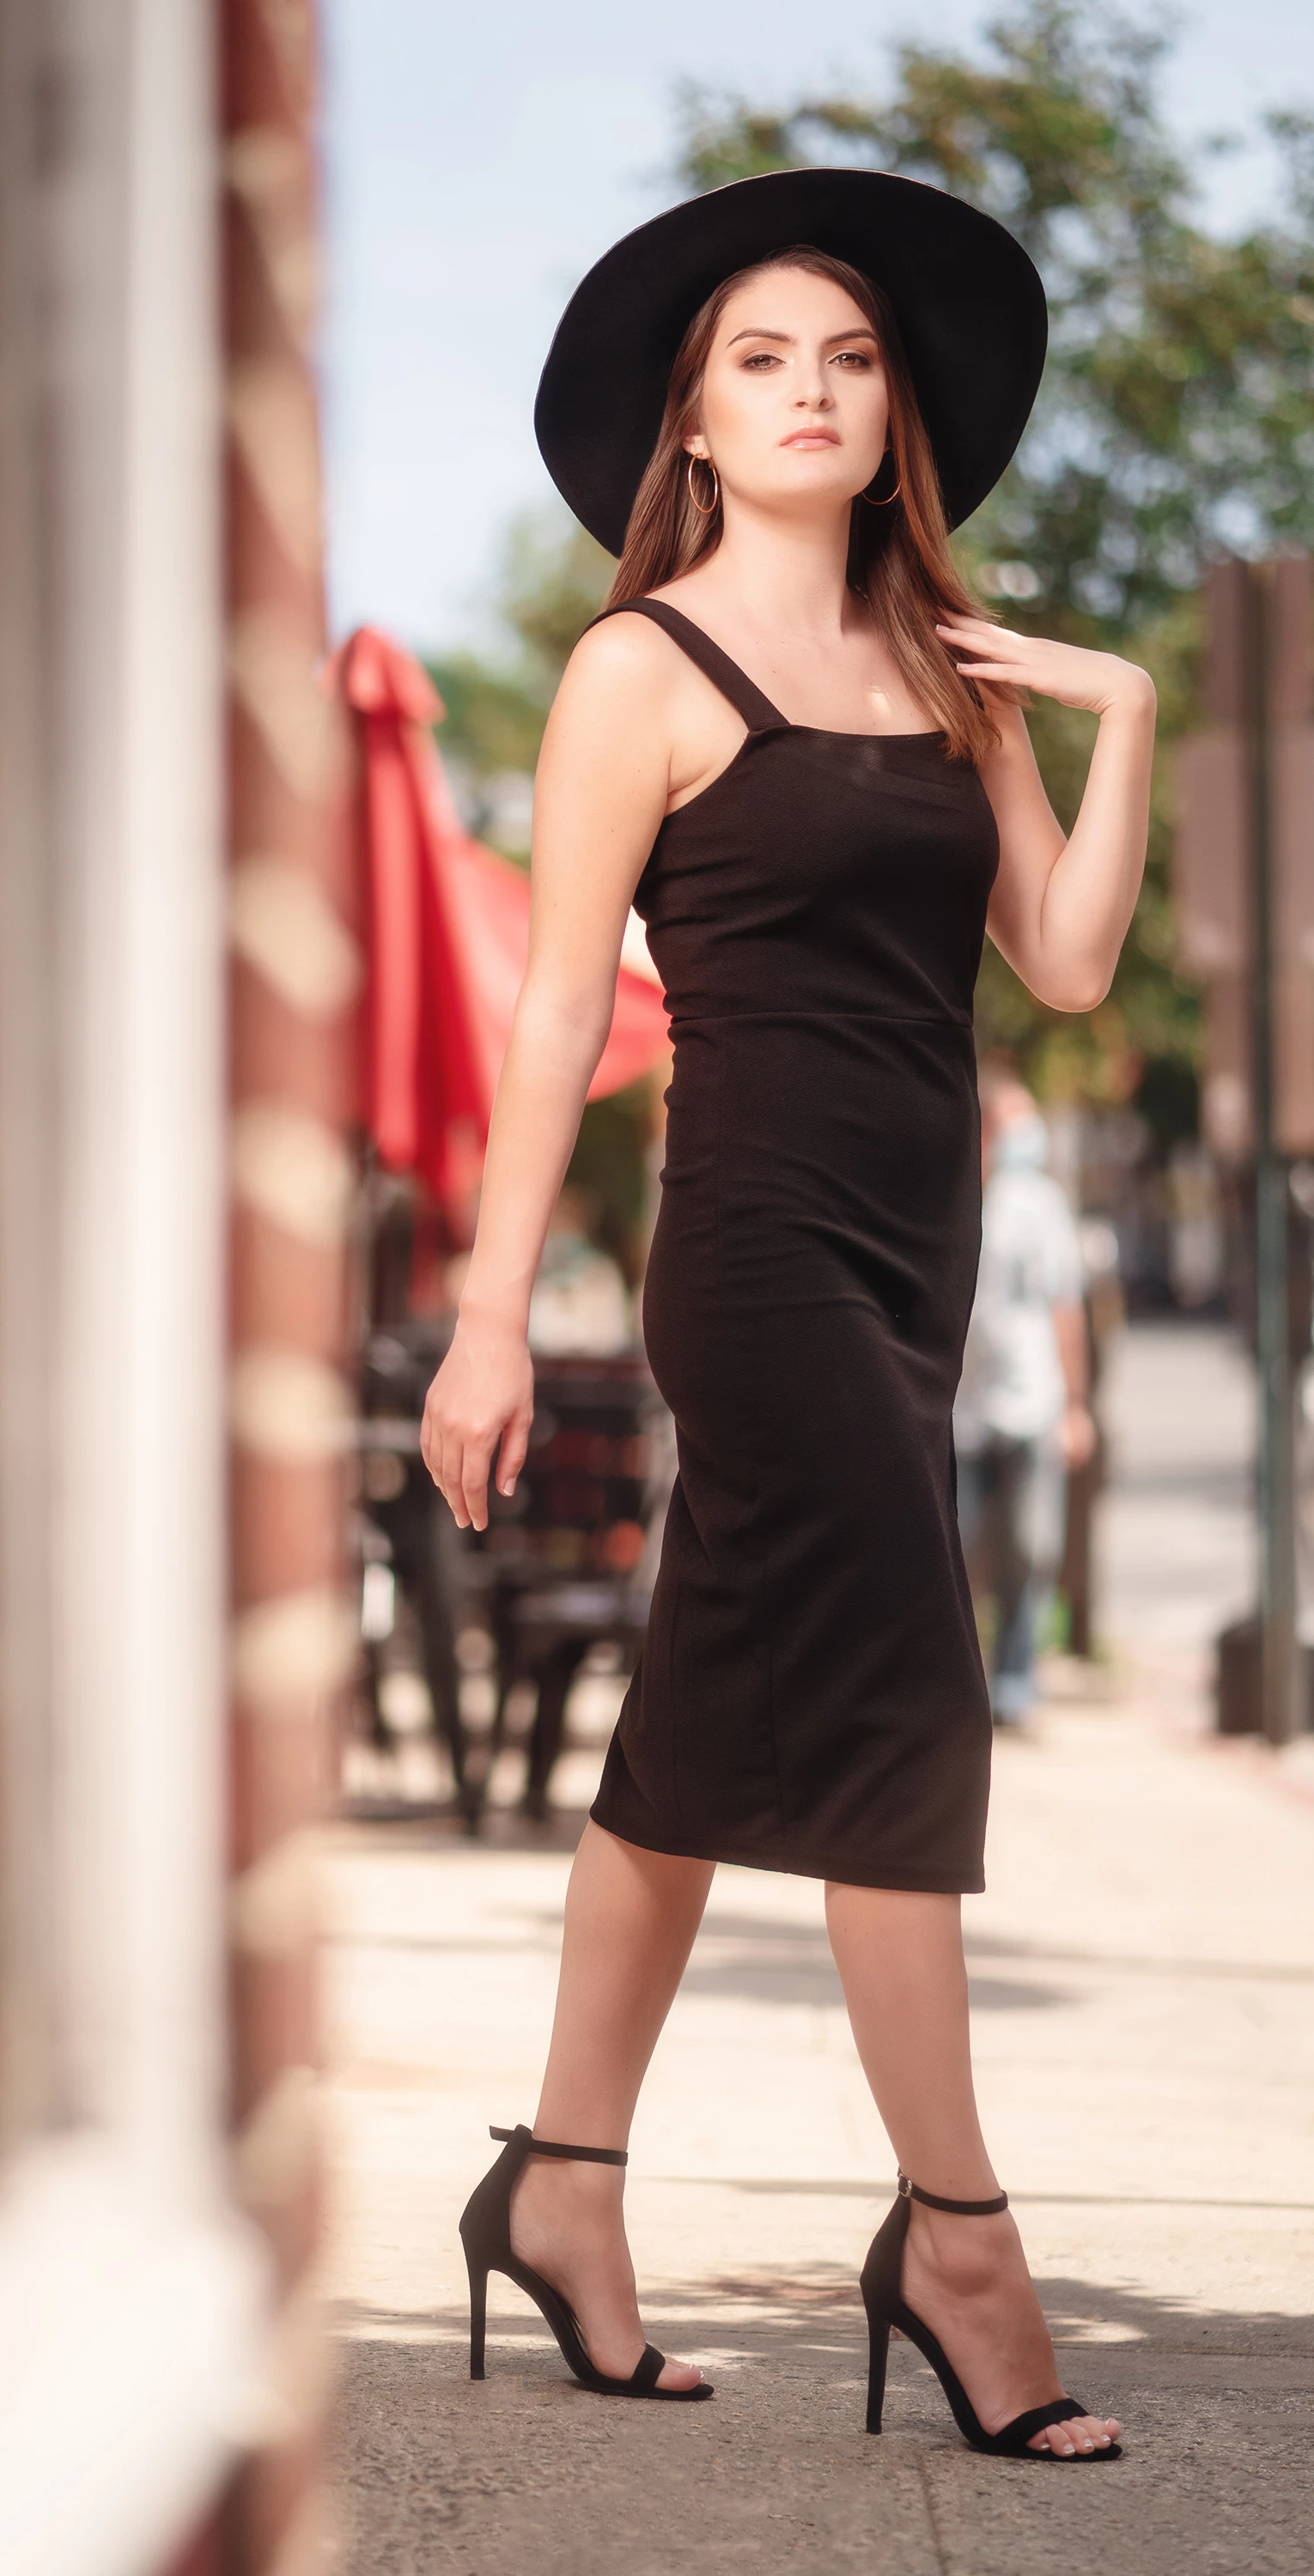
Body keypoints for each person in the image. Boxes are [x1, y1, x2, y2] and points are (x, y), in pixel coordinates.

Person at [421, 168, 1153, 2459]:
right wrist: (483, 1320)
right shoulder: (639, 667)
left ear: (892, 412)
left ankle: (561, 2186)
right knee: (908, 1708)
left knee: (705, 1736)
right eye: (766, 358)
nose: (814, 390)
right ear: (698, 420)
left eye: (848, 359)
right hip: (749, 1255)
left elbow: (1064, 964)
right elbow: (554, 1024)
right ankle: (959, 2240)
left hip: (916, 1263)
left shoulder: (957, 667)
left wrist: (1116, 707)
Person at [955, 1072, 1095, 1723]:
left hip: (1032, 1402)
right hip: (962, 1411)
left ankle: (1015, 1679)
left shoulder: (1041, 1204)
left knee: (1030, 1550)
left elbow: (1066, 1307)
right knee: (954, 1550)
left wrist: (1075, 1404)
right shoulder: (951, 1193)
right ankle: (958, 1681)